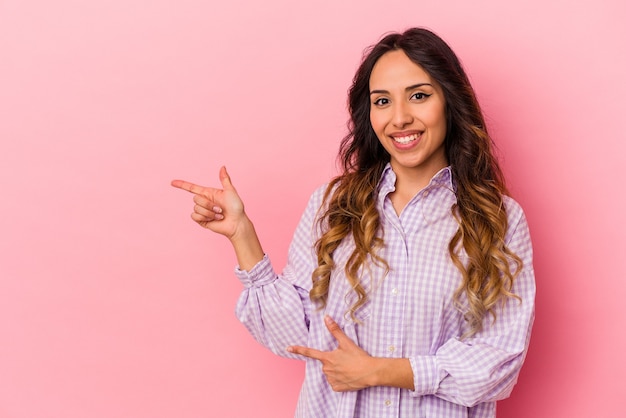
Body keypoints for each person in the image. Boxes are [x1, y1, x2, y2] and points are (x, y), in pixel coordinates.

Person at [172, 27, 535, 418]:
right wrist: (242, 236)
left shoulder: (498, 219)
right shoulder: (333, 205)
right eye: (382, 101)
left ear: (450, 101)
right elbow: (294, 335)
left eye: (419, 95)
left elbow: (499, 362)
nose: (400, 118)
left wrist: (380, 372)